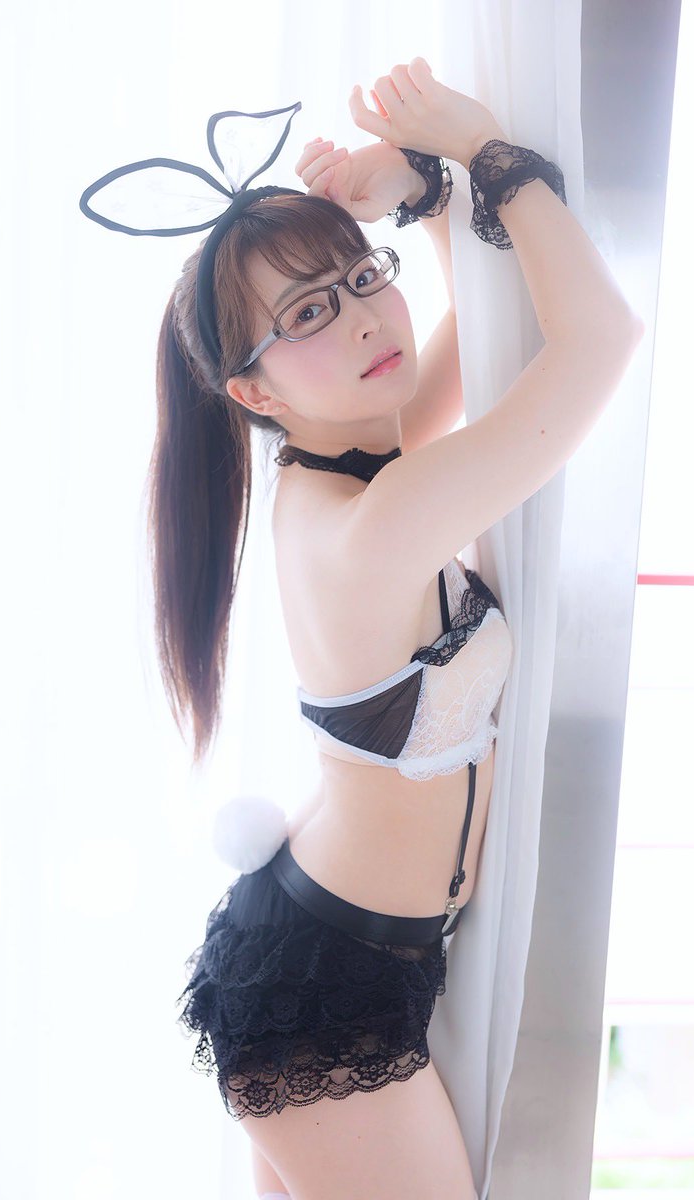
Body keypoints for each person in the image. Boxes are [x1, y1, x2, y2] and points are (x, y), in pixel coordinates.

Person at [148, 58, 644, 1200]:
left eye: (359, 277)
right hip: (326, 996)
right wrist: (477, 150)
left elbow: (475, 337)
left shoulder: (353, 458)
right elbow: (598, 340)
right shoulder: (371, 520)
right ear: (254, 393)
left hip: (332, 953)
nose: (367, 317)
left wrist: (420, 200)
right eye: (308, 314)